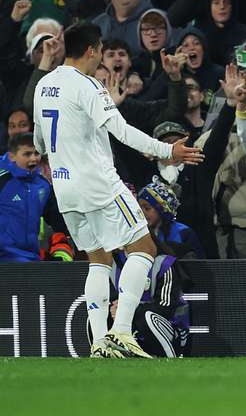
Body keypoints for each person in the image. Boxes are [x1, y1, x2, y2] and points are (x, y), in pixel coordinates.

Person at [32, 22, 203, 358]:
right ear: (93, 50)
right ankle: (122, 331)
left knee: (98, 260)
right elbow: (121, 130)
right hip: (98, 183)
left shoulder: (44, 84)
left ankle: (99, 343)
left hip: (65, 188)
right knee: (144, 248)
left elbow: (39, 141)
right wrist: (169, 151)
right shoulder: (89, 85)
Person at [0, 132, 63, 262]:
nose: (33, 159)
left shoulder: (43, 185)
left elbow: (58, 221)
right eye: (27, 154)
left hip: (32, 259)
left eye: (36, 153)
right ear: (12, 156)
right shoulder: (2, 180)